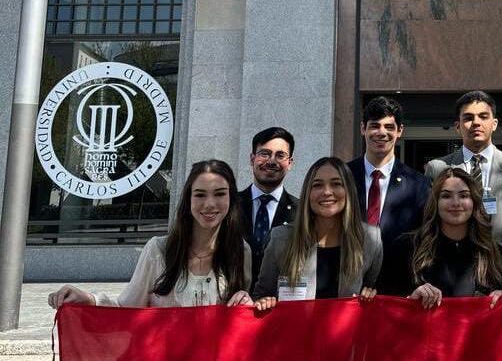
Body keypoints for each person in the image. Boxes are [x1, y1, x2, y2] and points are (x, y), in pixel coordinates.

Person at [48, 160, 252, 308]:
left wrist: (246, 301)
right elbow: (127, 307)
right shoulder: (159, 250)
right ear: (188, 200)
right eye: (199, 194)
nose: (209, 204)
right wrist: (89, 300)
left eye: (219, 194)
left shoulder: (240, 252)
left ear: (231, 199)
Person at [250, 157, 382, 308]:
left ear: (349, 190)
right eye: (317, 185)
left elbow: (376, 294)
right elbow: (260, 295)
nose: (326, 192)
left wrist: (371, 296)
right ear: (308, 193)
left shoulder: (371, 240)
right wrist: (264, 302)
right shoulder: (281, 238)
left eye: (336, 184)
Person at [384, 167, 502, 308]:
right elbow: (386, 302)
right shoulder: (406, 247)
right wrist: (410, 298)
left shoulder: (492, 252)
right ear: (435, 202)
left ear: (474, 201)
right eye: (446, 196)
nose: (456, 203)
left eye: (463, 196)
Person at [425, 90, 502, 241]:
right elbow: (430, 219)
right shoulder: (437, 168)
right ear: (457, 126)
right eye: (468, 118)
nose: (476, 123)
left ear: (494, 124)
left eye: (483, 116)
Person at [347, 96, 430, 251]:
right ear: (363, 128)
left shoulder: (418, 185)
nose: (382, 132)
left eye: (389, 127)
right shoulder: (343, 177)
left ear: (400, 131)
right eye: (375, 126)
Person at [239, 127, 299, 281]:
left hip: (279, 302)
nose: (271, 161)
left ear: (290, 163)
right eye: (264, 154)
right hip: (233, 301)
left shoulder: (302, 212)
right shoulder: (229, 206)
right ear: (252, 159)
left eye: (280, 155)